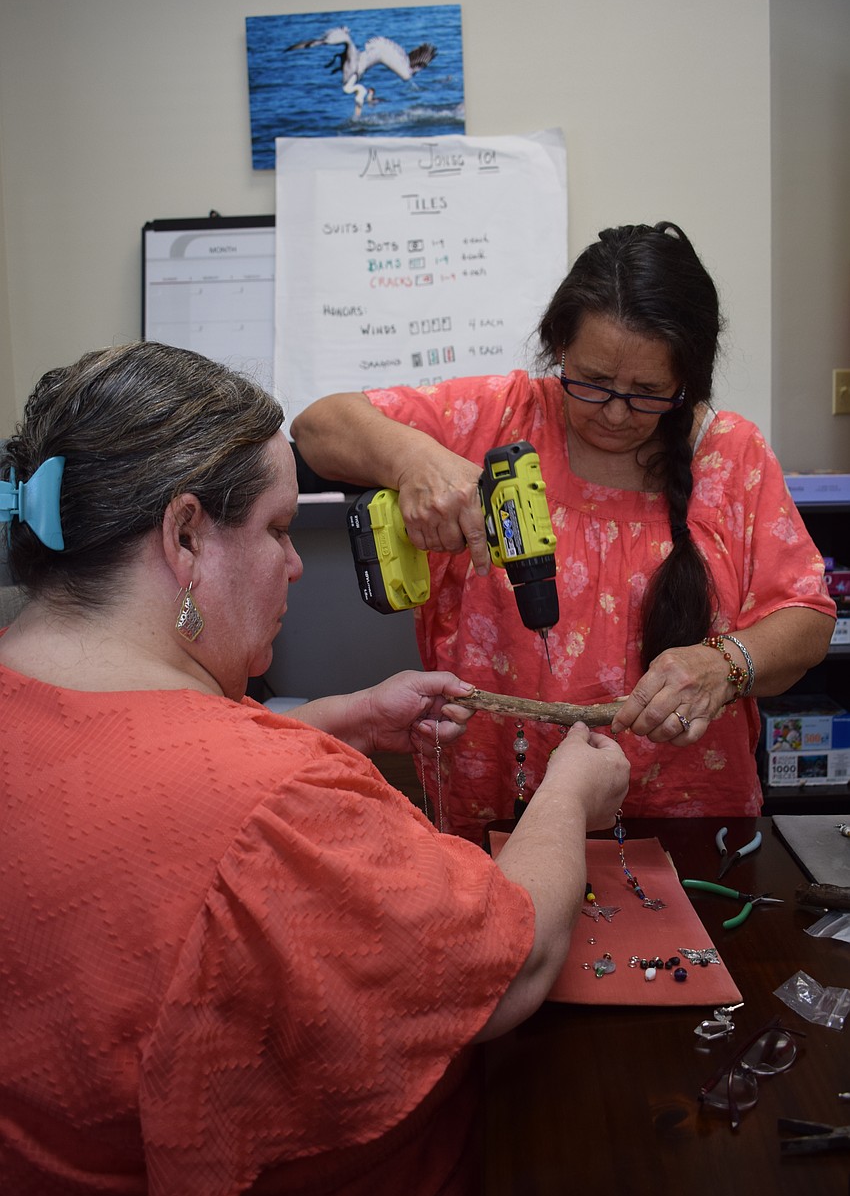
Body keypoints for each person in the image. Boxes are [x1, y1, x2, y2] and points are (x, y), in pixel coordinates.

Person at [0, 341, 629, 1195]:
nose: (296, 563)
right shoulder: (274, 799)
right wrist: (566, 794)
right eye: (280, 529)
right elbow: (513, 961)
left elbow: (133, 757)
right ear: (185, 534)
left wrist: (339, 719)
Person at [291, 221, 836, 843]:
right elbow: (316, 428)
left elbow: (807, 617)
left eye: (649, 392)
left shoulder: (729, 453)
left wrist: (726, 665)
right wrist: (413, 459)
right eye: (593, 381)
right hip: (499, 800)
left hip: (690, 814)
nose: (614, 412)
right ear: (559, 349)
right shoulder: (500, 415)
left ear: (688, 380)